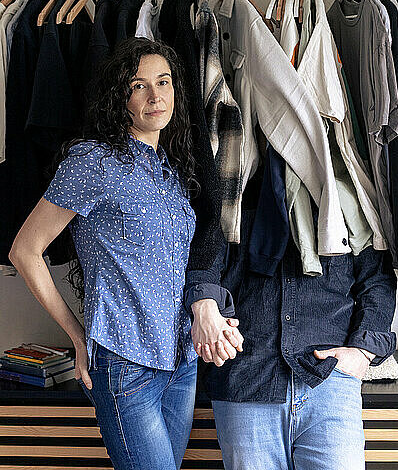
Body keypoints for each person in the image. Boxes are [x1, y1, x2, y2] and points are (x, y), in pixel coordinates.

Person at [8, 37, 243, 470]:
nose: (156, 95)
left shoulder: (173, 167)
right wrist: (78, 337)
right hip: (124, 366)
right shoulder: (93, 161)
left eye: (164, 81)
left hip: (181, 362)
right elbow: (25, 251)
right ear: (121, 96)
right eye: (139, 85)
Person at [193, 193, 397, 470]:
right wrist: (206, 309)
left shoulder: (346, 189)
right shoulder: (229, 191)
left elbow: (376, 277)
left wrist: (364, 350)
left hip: (329, 382)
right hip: (245, 380)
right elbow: (202, 262)